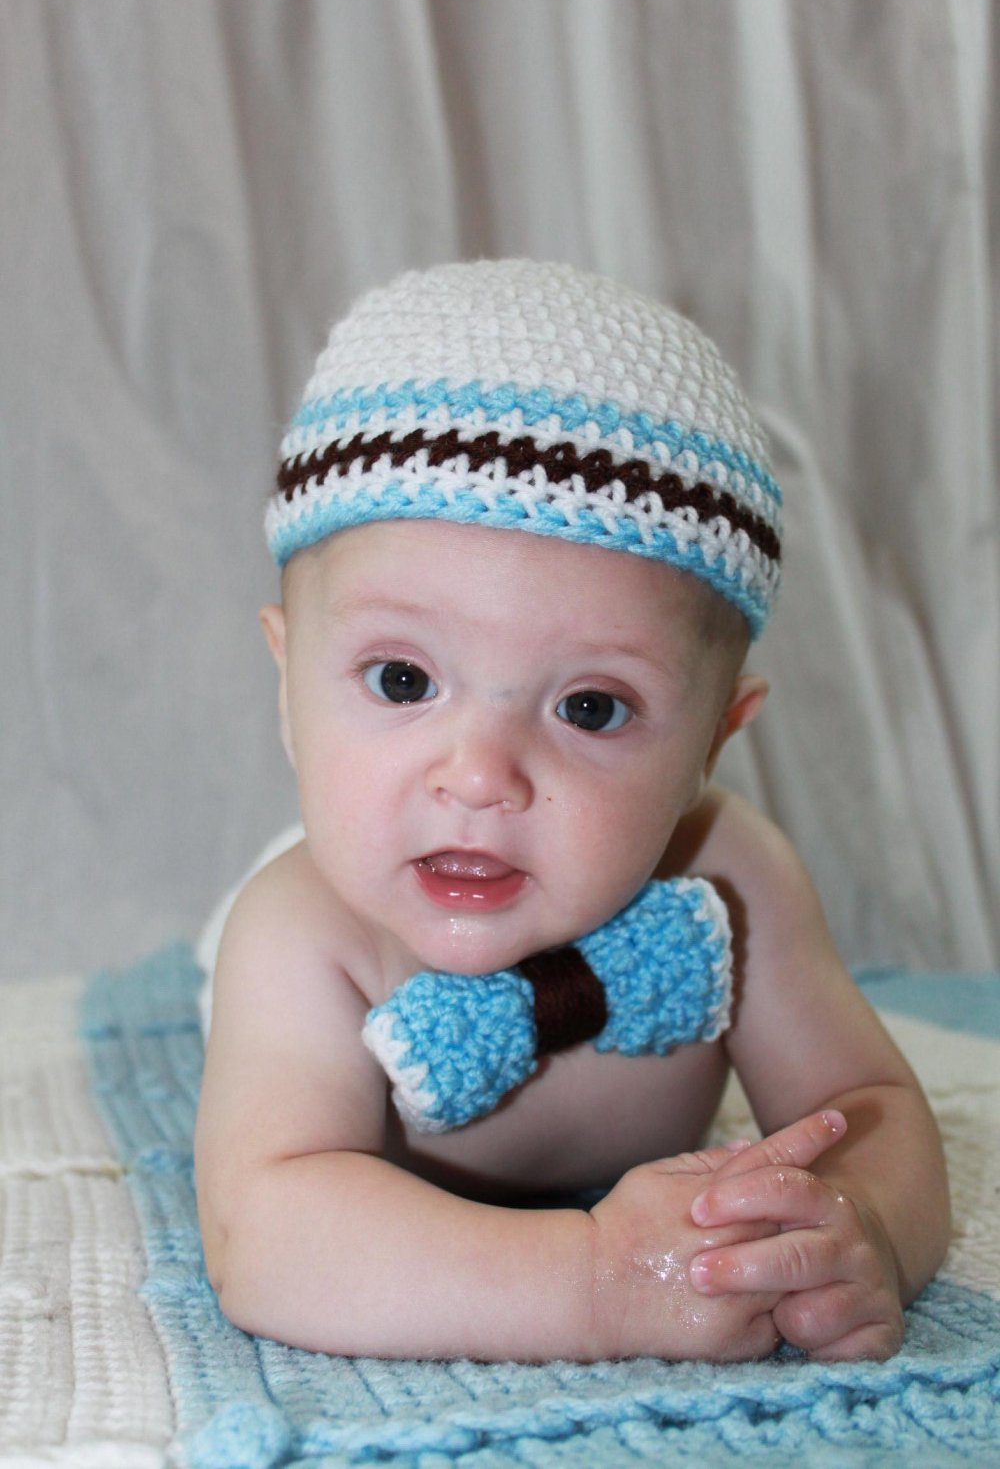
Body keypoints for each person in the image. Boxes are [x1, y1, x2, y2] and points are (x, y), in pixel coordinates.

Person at [193, 259, 949, 1363]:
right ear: (287, 686)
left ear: (709, 746)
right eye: (403, 682)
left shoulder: (733, 882)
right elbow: (265, 1234)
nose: (479, 776)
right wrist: (595, 1279)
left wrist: (863, 1225)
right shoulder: (303, 933)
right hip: (290, 948)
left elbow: (867, 1101)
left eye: (590, 707)